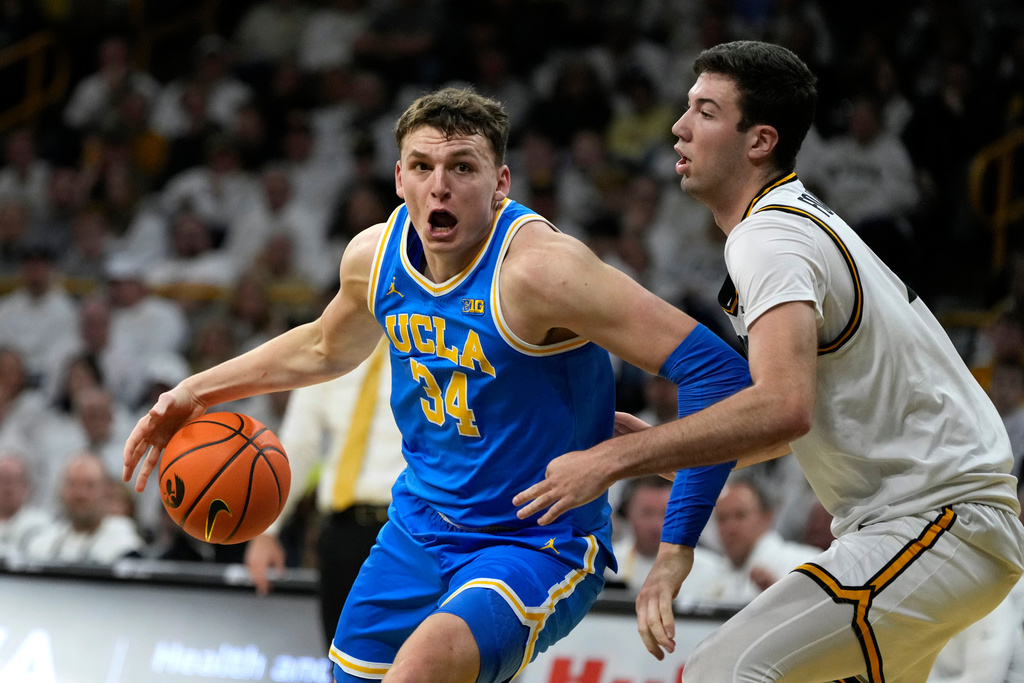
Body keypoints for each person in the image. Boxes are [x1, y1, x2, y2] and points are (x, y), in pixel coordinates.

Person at [123, 86, 757, 683]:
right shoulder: (374, 256)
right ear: (399, 179)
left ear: (500, 182)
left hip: (536, 539)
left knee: (424, 663)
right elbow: (322, 345)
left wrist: (675, 547)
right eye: (422, 168)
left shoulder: (541, 272)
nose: (439, 187)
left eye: (462, 167)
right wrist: (194, 392)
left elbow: (719, 375)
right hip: (419, 524)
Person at [514, 41, 1024, 681]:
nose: (679, 126)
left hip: (936, 522)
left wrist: (612, 459)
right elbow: (794, 416)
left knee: (720, 673)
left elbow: (783, 408)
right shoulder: (791, 225)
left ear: (758, 141)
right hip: (937, 528)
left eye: (704, 111)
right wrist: (671, 447)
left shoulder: (769, 238)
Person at [245, 338, 406, 649]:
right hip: (342, 532)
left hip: (412, 527)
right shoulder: (334, 344)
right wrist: (267, 530)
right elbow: (296, 448)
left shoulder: (441, 340)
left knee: (415, 666)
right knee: (341, 663)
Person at [676, 475, 820, 606]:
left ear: (767, 517)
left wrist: (783, 602)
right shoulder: (706, 575)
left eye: (740, 516)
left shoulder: (807, 562)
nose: (730, 528)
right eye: (722, 519)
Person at [27, 452, 144, 564]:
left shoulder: (124, 546)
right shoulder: (42, 543)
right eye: (72, 484)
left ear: (105, 492)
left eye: (89, 485)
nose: (80, 494)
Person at [604, 475, 673, 590]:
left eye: (666, 514)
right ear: (627, 514)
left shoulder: (709, 572)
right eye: (647, 513)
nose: (656, 525)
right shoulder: (605, 565)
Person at [0, 451, 52, 559]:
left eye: (14, 480)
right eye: (3, 480)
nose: (7, 488)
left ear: (26, 486)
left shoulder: (40, 525)